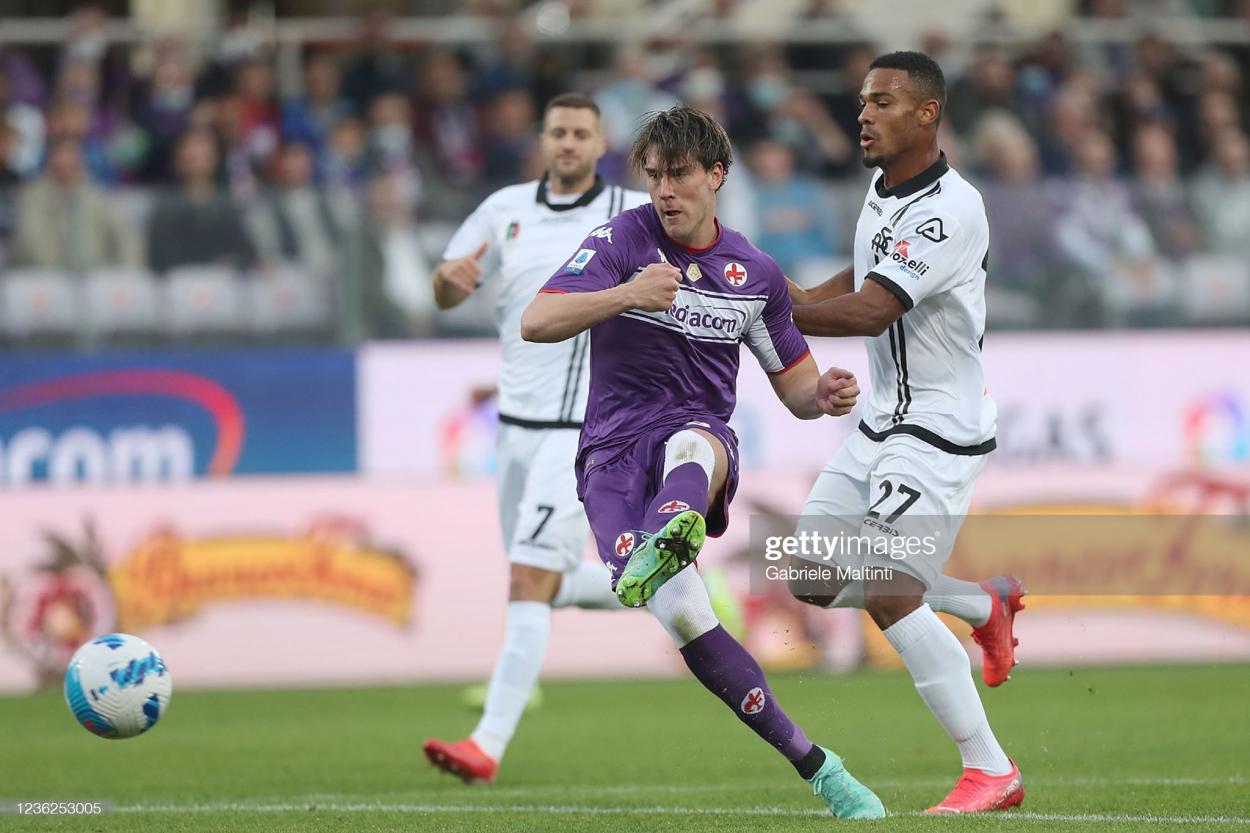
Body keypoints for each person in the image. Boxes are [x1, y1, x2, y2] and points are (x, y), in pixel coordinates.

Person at [519, 105, 885, 820]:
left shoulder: (755, 275)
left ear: (716, 175)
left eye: (681, 175)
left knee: (696, 439)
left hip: (693, 441)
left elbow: (798, 390)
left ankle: (674, 526)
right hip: (610, 456)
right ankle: (817, 761)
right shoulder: (622, 241)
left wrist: (828, 392)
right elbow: (536, 321)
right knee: (684, 616)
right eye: (655, 176)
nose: (665, 191)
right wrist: (625, 293)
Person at [784, 51, 1025, 814]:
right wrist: (771, 291)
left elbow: (873, 309)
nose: (862, 114)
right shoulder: (884, 188)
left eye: (881, 102)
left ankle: (992, 769)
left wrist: (764, 312)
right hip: (881, 423)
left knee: (889, 588)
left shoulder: (949, 208)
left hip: (939, 430)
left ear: (927, 113)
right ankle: (983, 605)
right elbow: (857, 281)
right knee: (809, 575)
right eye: (861, 101)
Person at [422, 93, 650, 784]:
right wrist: (446, 280)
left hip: (579, 432)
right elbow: (444, 288)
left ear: (602, 142)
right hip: (514, 433)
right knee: (540, 585)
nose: (569, 143)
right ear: (543, 139)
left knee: (528, 578)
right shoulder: (504, 209)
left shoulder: (629, 218)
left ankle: (486, 743)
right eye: (559, 132)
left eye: (582, 132)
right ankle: (671, 581)